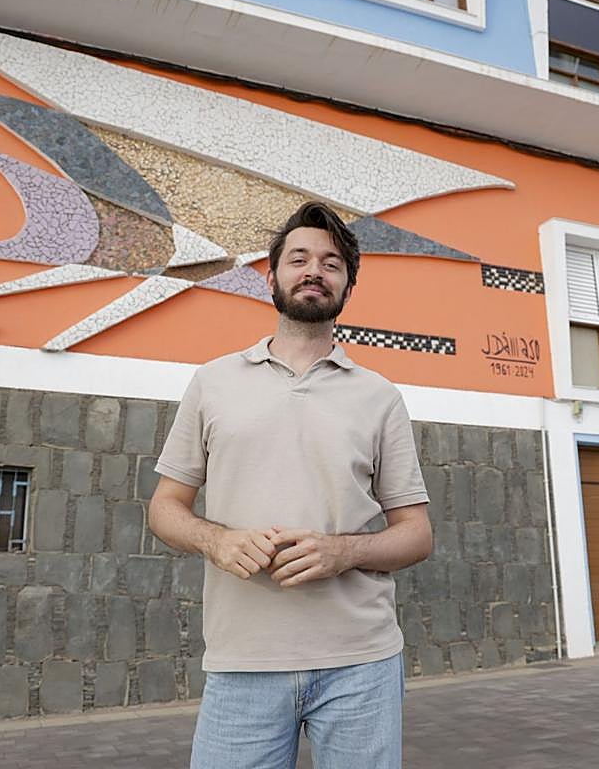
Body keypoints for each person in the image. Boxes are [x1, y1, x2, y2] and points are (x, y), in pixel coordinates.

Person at [148, 201, 433, 769]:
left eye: (331, 264)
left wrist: (343, 551)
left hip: (361, 663)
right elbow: (165, 507)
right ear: (272, 275)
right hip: (243, 663)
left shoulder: (379, 396)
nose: (314, 271)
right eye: (298, 258)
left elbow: (417, 534)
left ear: (347, 285)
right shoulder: (213, 382)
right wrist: (217, 540)